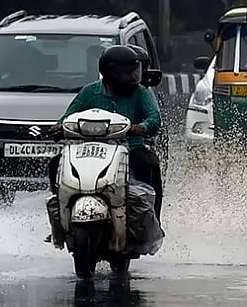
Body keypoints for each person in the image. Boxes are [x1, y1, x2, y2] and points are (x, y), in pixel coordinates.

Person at [46, 45, 164, 228]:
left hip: (130, 148)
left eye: (135, 71)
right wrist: (58, 127)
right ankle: (60, 216)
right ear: (112, 73)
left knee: (148, 164)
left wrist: (142, 127)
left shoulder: (140, 92)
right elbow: (69, 115)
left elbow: (154, 117)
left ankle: (151, 219)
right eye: (128, 73)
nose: (134, 77)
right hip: (87, 150)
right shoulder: (89, 92)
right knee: (55, 164)